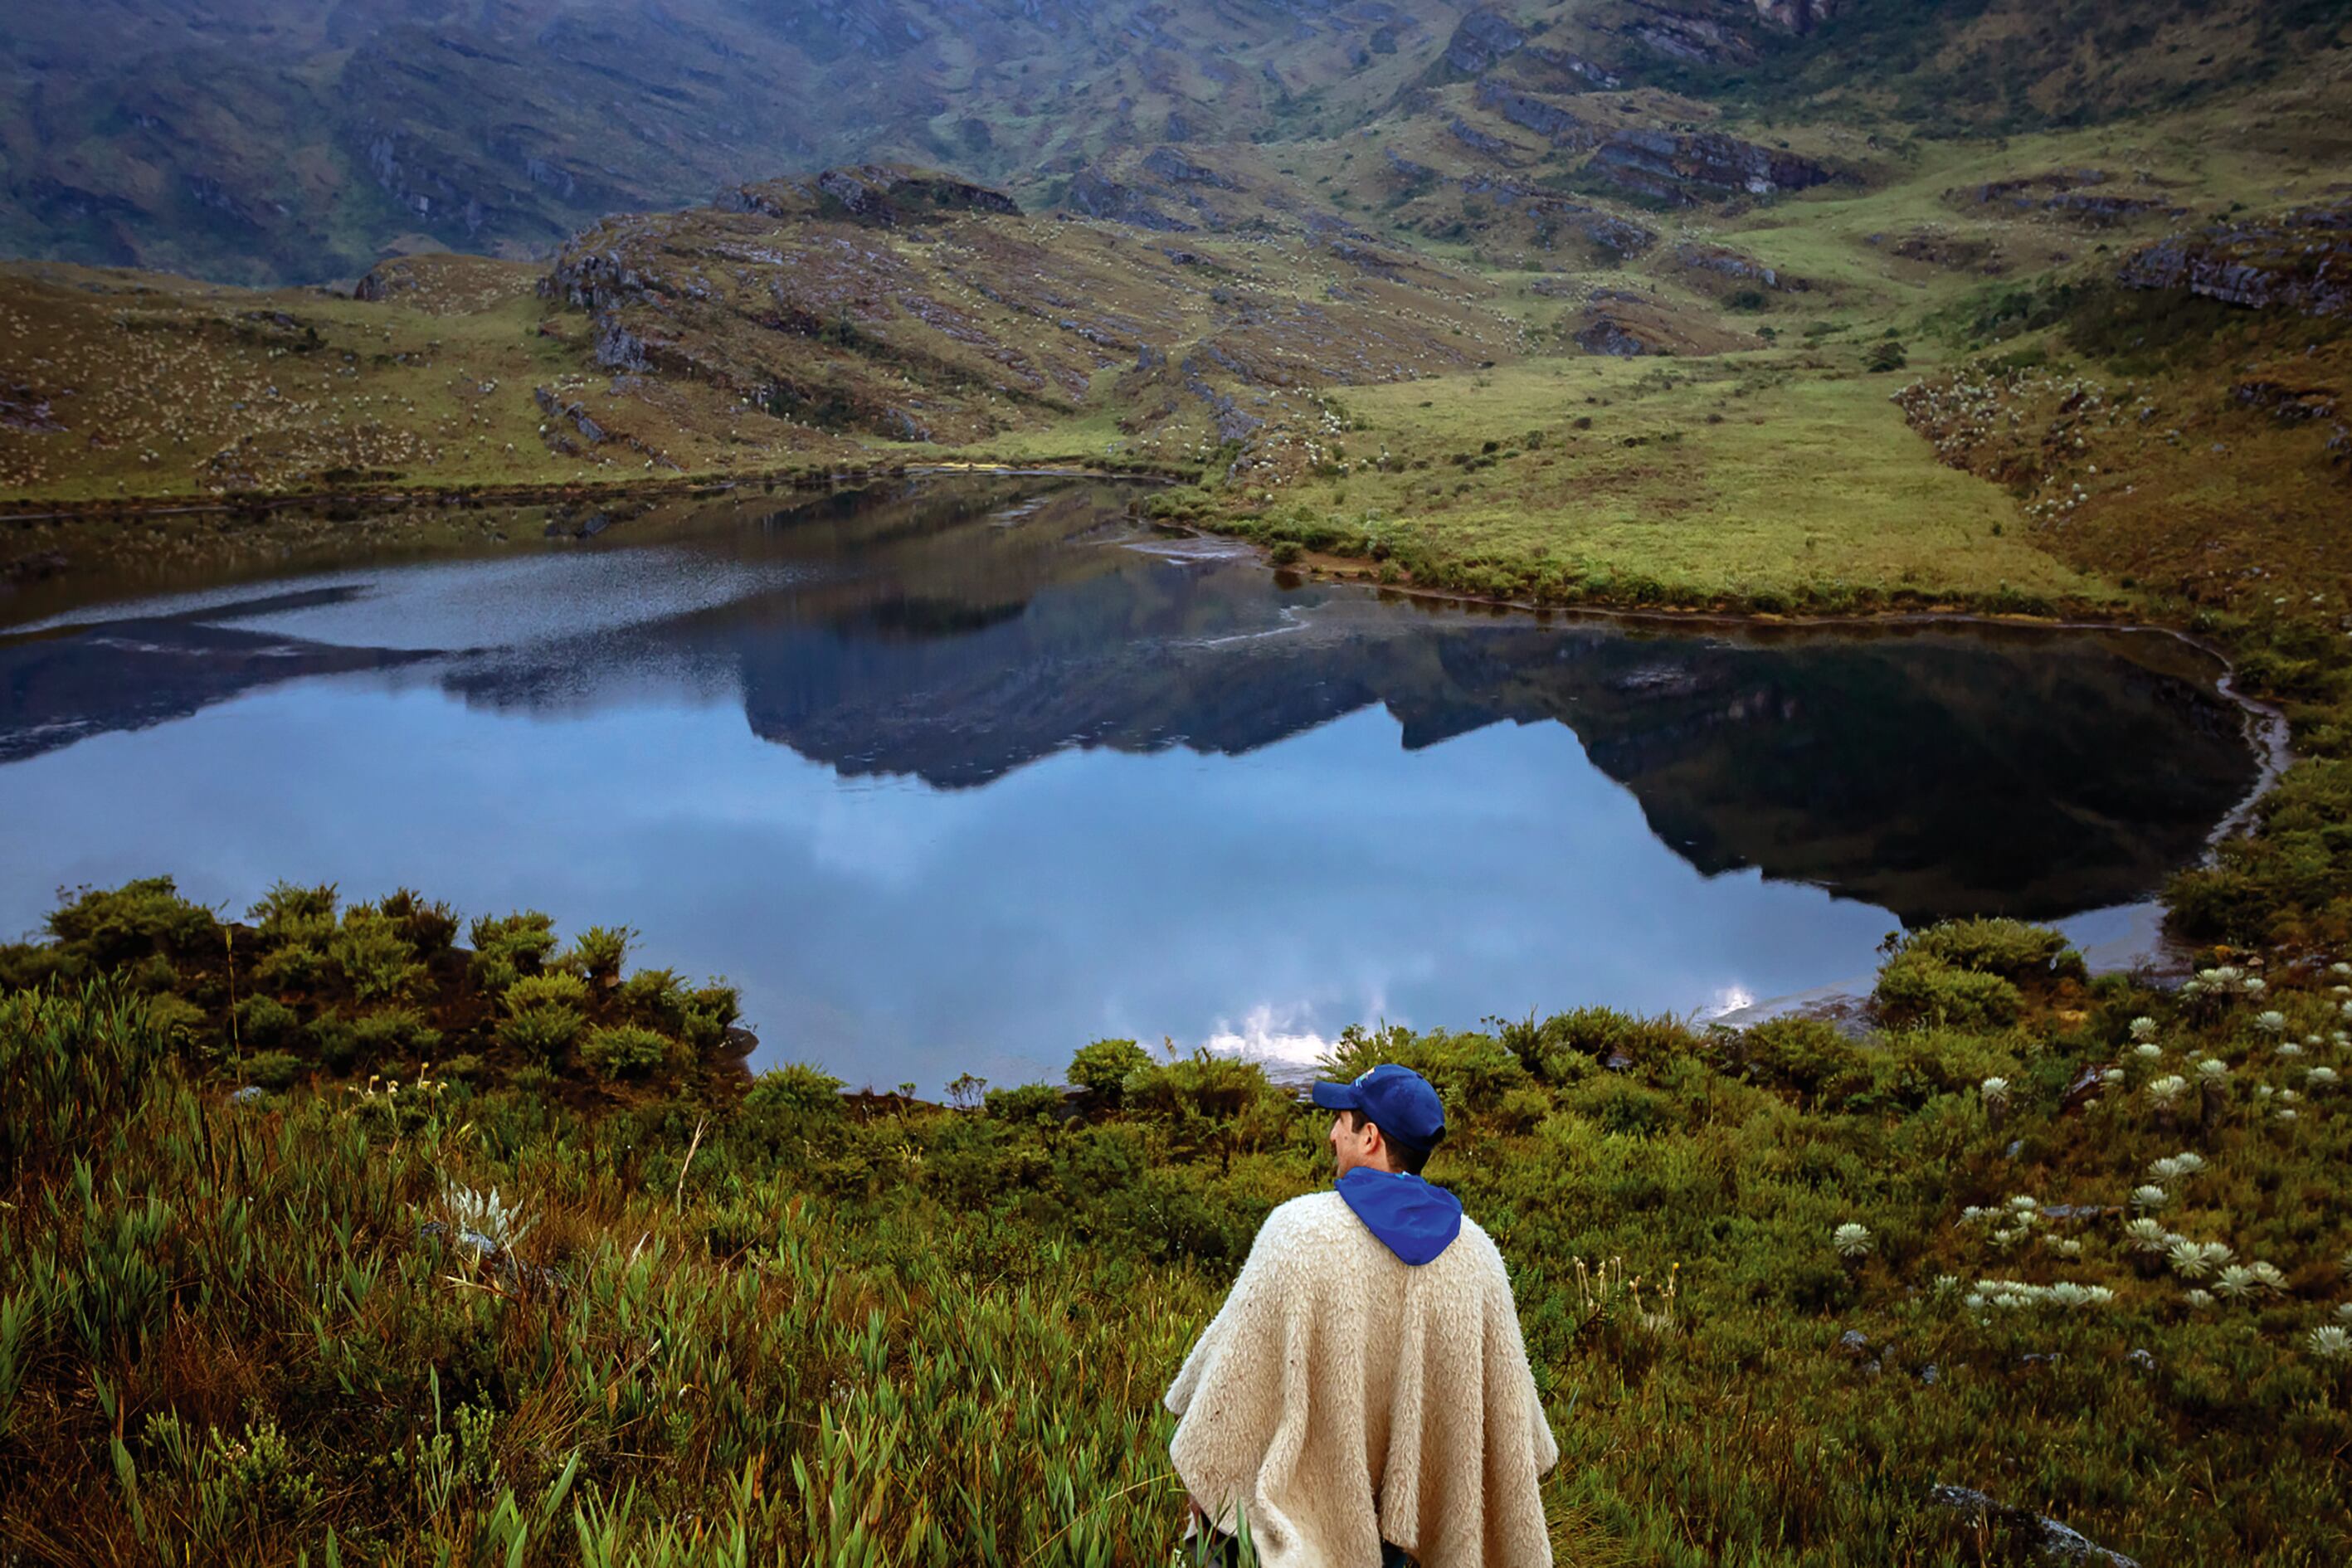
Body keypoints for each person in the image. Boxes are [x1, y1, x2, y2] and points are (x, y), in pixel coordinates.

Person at [1163, 1064, 1558, 1568]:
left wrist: (1211, 1486)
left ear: (1370, 1137)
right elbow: (1513, 1430)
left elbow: (1231, 1395)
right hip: (1415, 1550)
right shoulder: (1478, 1254)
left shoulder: (1297, 1233)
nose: (1331, 1135)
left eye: (1341, 1121)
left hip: (1303, 1538)